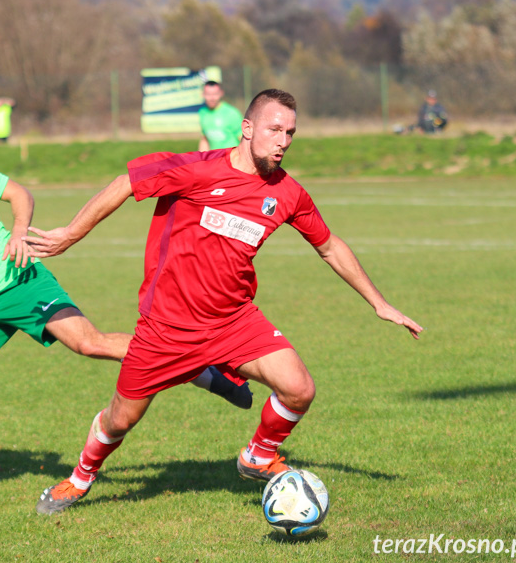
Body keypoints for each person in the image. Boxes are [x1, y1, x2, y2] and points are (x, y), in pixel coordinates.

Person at [24, 89, 424, 515]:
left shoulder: (288, 193)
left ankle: (257, 455)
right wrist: (70, 234)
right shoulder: (194, 169)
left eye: (290, 132)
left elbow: (329, 247)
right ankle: (81, 477)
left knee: (299, 389)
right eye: (274, 129)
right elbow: (127, 183)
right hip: (167, 327)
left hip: (234, 322)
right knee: (119, 420)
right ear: (247, 129)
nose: (283, 140)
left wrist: (378, 303)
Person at [0, 113, 250, 512]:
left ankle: (203, 367)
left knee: (89, 343)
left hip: (19, 282)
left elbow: (20, 194)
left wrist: (19, 230)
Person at [198, 81, 243, 151]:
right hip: (214, 159)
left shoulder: (232, 113)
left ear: (221, 93)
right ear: (203, 94)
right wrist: (201, 159)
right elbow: (204, 139)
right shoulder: (202, 112)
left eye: (215, 94)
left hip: (231, 159)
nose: (212, 98)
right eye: (208, 94)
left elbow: (244, 140)